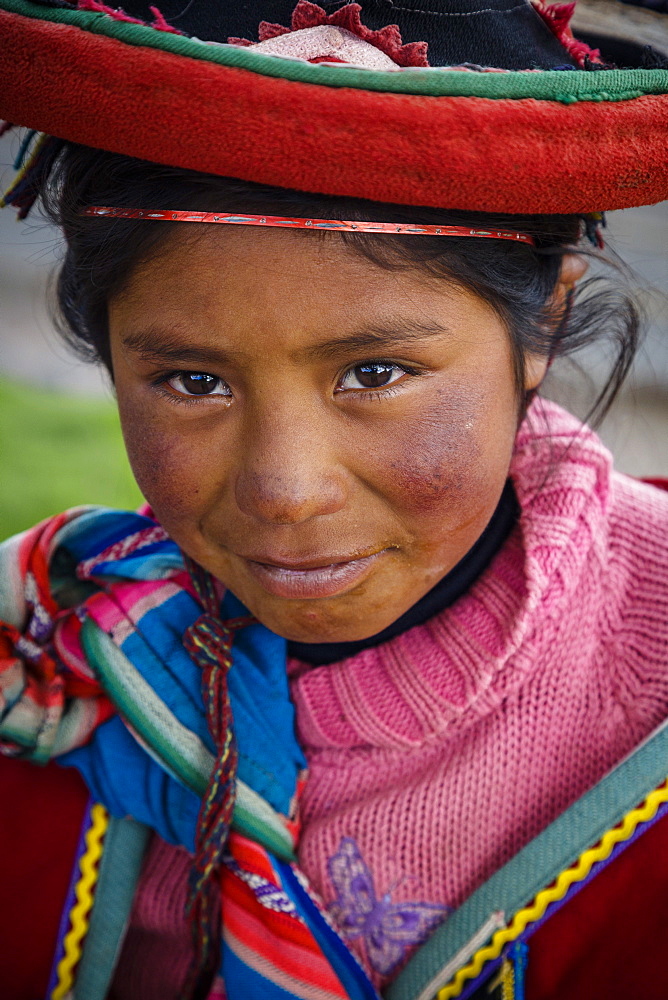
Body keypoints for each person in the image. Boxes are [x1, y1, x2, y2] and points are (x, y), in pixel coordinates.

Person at [0, 2, 667, 999]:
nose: (285, 492)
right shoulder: (50, 645)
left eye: (375, 372)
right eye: (194, 383)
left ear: (542, 325)